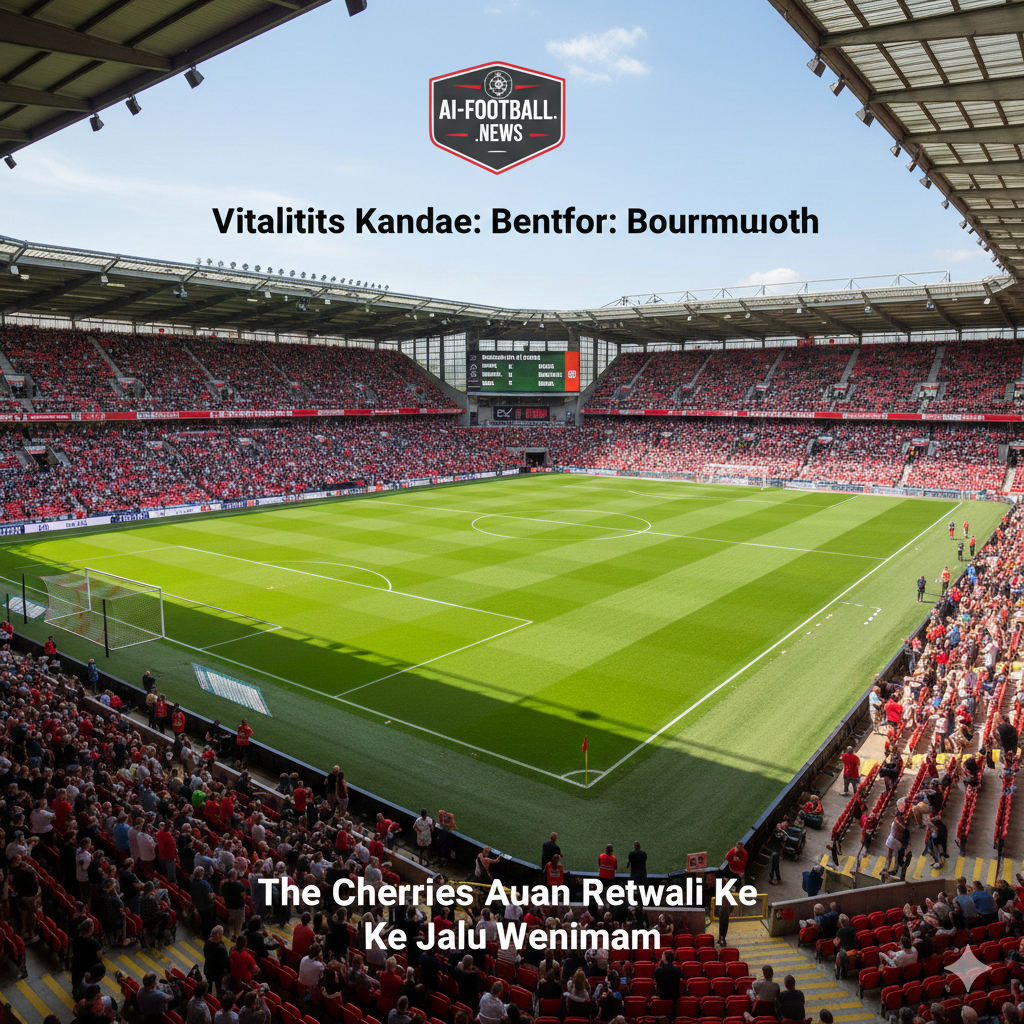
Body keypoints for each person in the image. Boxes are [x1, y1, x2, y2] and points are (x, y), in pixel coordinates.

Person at [204, 925, 231, 997]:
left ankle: (208, 997)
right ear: (218, 935)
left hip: (208, 969)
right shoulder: (221, 948)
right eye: (221, 933)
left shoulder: (207, 943)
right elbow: (226, 961)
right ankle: (218, 998)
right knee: (218, 986)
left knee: (209, 985)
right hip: (218, 972)